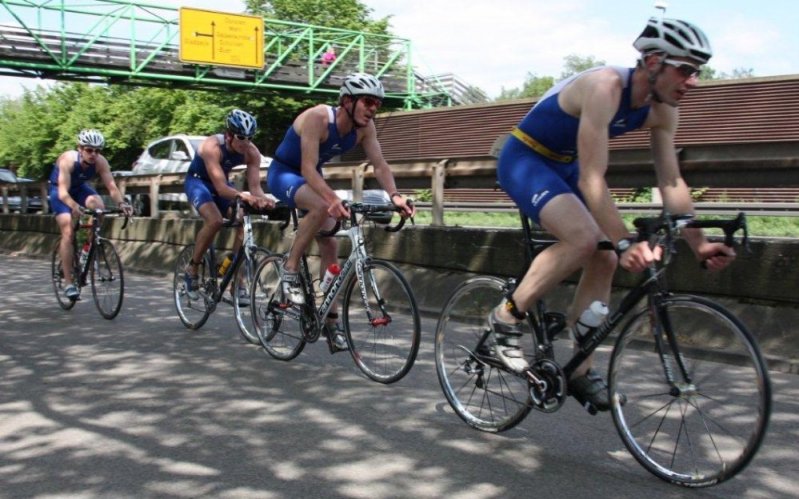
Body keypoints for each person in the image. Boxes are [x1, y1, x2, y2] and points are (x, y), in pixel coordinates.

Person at [490, 17, 736, 411]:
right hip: (525, 157)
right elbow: (592, 178)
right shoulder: (606, 87)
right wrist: (625, 240)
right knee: (586, 239)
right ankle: (507, 316)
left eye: (697, 72)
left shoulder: (662, 110)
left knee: (604, 256)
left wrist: (700, 243)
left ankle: (579, 370)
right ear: (653, 61)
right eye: (686, 69)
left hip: (564, 164)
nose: (694, 81)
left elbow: (671, 183)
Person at [267, 72, 415, 351]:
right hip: (284, 173)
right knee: (323, 205)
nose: (373, 109)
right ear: (347, 100)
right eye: (368, 101)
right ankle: (289, 269)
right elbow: (308, 168)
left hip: (309, 178)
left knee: (331, 244)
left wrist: (395, 196)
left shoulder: (364, 128)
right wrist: (332, 198)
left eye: (377, 105)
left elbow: (380, 165)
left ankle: (330, 321)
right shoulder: (318, 118)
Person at [183, 109, 274, 301]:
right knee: (215, 220)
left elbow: (256, 187)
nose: (246, 142)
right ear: (229, 135)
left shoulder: (252, 153)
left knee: (244, 220)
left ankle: (236, 281)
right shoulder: (212, 146)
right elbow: (221, 187)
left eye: (250, 138)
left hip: (223, 184)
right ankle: (193, 267)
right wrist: (245, 196)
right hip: (199, 182)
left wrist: (265, 200)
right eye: (241, 137)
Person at [49, 129, 134, 301]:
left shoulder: (101, 162)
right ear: (80, 148)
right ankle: (68, 283)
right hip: (60, 191)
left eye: (97, 151)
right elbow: (63, 192)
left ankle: (88, 247)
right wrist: (73, 206)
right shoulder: (68, 160)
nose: (93, 154)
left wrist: (122, 203)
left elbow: (112, 187)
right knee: (67, 230)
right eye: (89, 150)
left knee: (99, 206)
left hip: (79, 188)